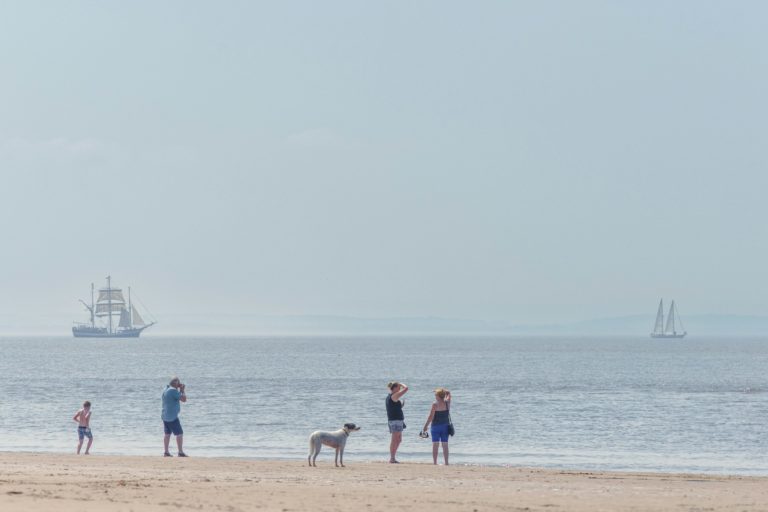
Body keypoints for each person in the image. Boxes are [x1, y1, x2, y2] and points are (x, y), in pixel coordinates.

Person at [421, 388, 452, 465]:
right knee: (445, 444)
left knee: (435, 444)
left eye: (435, 394)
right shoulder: (447, 403)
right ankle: (446, 462)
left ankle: (435, 462)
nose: (435, 396)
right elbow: (448, 394)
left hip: (435, 426)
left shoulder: (435, 404)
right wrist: (443, 391)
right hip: (445, 426)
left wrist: (425, 426)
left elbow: (430, 416)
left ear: (438, 396)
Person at [162, 376, 188, 457]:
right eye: (178, 383)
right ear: (175, 384)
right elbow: (184, 399)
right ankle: (180, 452)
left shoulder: (166, 389)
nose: (179, 384)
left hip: (165, 416)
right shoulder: (173, 391)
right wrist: (182, 390)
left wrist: (178, 388)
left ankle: (166, 452)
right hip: (172, 417)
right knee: (179, 434)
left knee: (167, 434)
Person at [385, 381, 408, 463]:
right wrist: (401, 383)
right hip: (395, 420)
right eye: (398, 387)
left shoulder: (392, 397)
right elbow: (406, 388)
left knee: (398, 440)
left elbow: (394, 407)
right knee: (395, 439)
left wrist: (401, 405)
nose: (400, 389)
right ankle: (392, 458)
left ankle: (393, 457)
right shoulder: (393, 396)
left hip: (398, 420)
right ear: (394, 388)